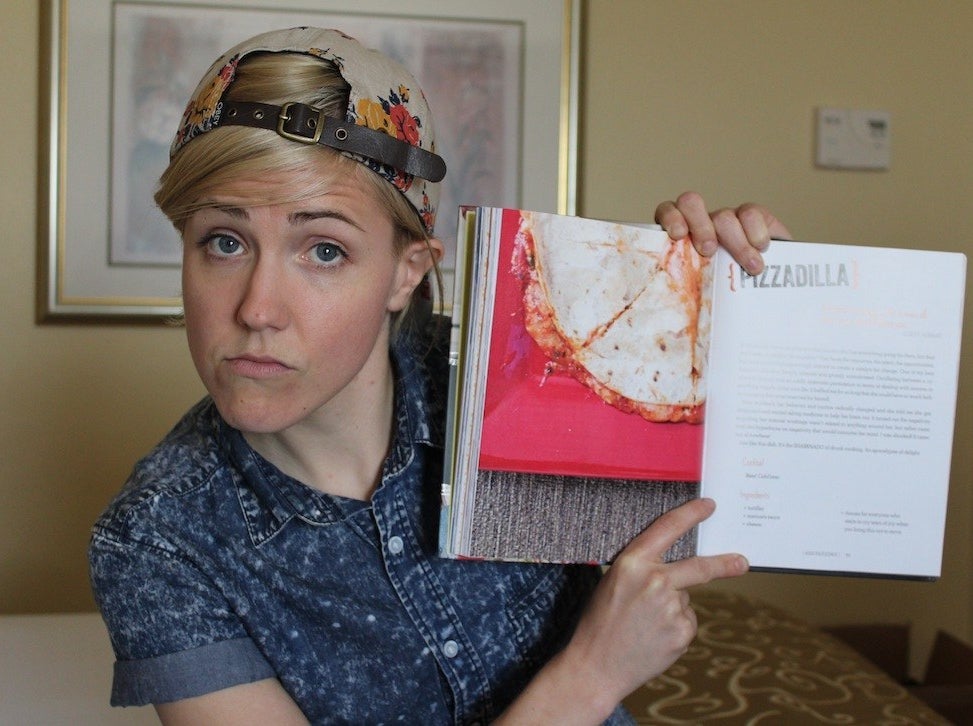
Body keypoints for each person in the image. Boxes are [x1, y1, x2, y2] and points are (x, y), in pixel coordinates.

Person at [89, 27, 791, 725]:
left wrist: (748, 297)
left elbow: (761, 476)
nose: (257, 309)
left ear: (406, 273)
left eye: (324, 250)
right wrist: (591, 675)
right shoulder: (157, 541)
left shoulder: (512, 374)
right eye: (224, 242)